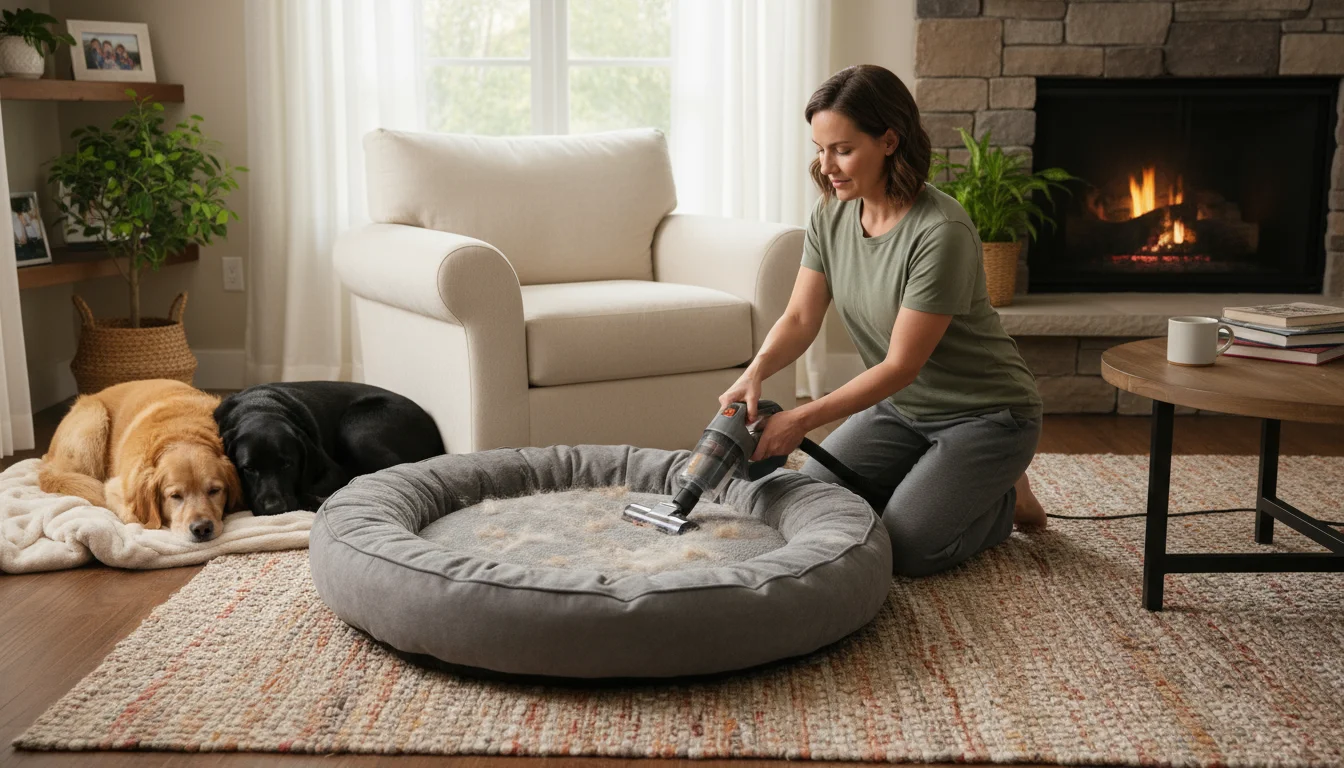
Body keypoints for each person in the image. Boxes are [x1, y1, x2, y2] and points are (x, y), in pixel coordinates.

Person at [718, 64, 1047, 578]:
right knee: (811, 503)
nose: (826, 166)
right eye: (820, 148)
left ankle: (1005, 499)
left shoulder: (941, 232)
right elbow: (802, 317)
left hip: (986, 414)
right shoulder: (830, 213)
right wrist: (754, 371)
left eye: (843, 150)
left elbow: (899, 366)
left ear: (889, 141)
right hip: (901, 410)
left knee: (907, 547)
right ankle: (947, 484)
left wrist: (801, 419)